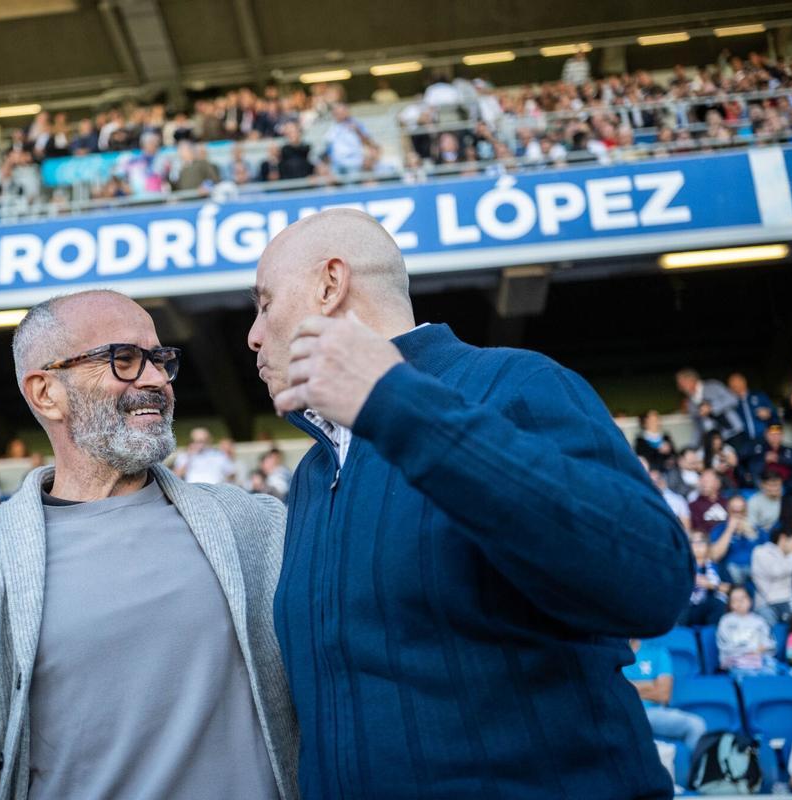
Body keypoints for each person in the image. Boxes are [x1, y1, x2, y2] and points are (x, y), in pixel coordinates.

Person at [245, 208, 691, 797]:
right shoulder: (310, 474)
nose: (253, 334)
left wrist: (396, 402)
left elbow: (651, 579)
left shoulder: (516, 384)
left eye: (265, 302)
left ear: (330, 285)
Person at [0, 291, 298, 800]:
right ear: (46, 393)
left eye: (160, 360)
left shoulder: (254, 524)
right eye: (124, 360)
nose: (155, 379)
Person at [623, 638, 706, 751]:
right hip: (621, 712)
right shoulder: (609, 654)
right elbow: (609, 689)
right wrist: (651, 685)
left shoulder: (657, 651)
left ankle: (697, 768)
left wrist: (627, 686)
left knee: (696, 725)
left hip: (652, 713)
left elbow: (663, 694)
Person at [676, 368, 747, 451]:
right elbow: (697, 428)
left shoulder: (713, 386)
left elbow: (733, 399)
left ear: (691, 380)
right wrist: (691, 448)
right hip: (716, 441)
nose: (680, 388)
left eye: (681, 384)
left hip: (734, 433)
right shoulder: (690, 404)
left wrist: (712, 407)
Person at [718, 585, 778, 678]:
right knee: (748, 675)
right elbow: (726, 645)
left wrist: (762, 648)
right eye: (735, 600)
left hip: (759, 659)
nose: (740, 602)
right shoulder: (726, 621)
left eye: (743, 598)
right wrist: (748, 650)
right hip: (736, 660)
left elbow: (768, 642)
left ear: (750, 600)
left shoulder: (759, 621)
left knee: (771, 669)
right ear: (730, 604)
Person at [708, 494, 766, 586]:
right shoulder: (719, 529)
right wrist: (729, 530)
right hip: (729, 580)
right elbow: (715, 556)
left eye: (742, 511)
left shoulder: (758, 531)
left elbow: (766, 559)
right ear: (728, 511)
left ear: (746, 511)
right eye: (734, 511)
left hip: (755, 578)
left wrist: (752, 535)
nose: (738, 515)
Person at [752, 527, 792, 624]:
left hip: (788, 600)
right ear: (783, 538)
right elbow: (776, 572)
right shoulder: (762, 551)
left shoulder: (790, 556)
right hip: (767, 603)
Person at [682, 532, 730, 626]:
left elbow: (730, 589)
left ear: (708, 546)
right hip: (687, 607)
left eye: (701, 542)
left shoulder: (717, 566)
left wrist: (710, 585)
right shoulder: (682, 566)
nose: (697, 545)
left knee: (718, 604)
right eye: (693, 542)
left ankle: (711, 636)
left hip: (708, 606)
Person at [746, 424, 792, 490]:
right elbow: (752, 469)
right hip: (764, 486)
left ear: (782, 435)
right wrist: (764, 459)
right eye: (772, 434)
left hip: (788, 486)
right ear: (766, 435)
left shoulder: (789, 450)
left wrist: (778, 458)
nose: (775, 437)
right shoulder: (757, 451)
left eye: (778, 434)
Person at [727, 372, 778, 446]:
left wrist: (774, 437)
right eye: (731, 385)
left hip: (765, 441)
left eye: (736, 383)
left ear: (744, 381)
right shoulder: (732, 405)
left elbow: (776, 418)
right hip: (745, 445)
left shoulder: (759, 396)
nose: (734, 387)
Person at [172, 426, 236, 484]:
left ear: (209, 440)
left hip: (215, 490)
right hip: (192, 490)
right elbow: (176, 475)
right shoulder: (184, 456)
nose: (199, 444)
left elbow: (231, 474)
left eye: (202, 441)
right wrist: (189, 456)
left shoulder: (219, 456)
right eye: (195, 441)